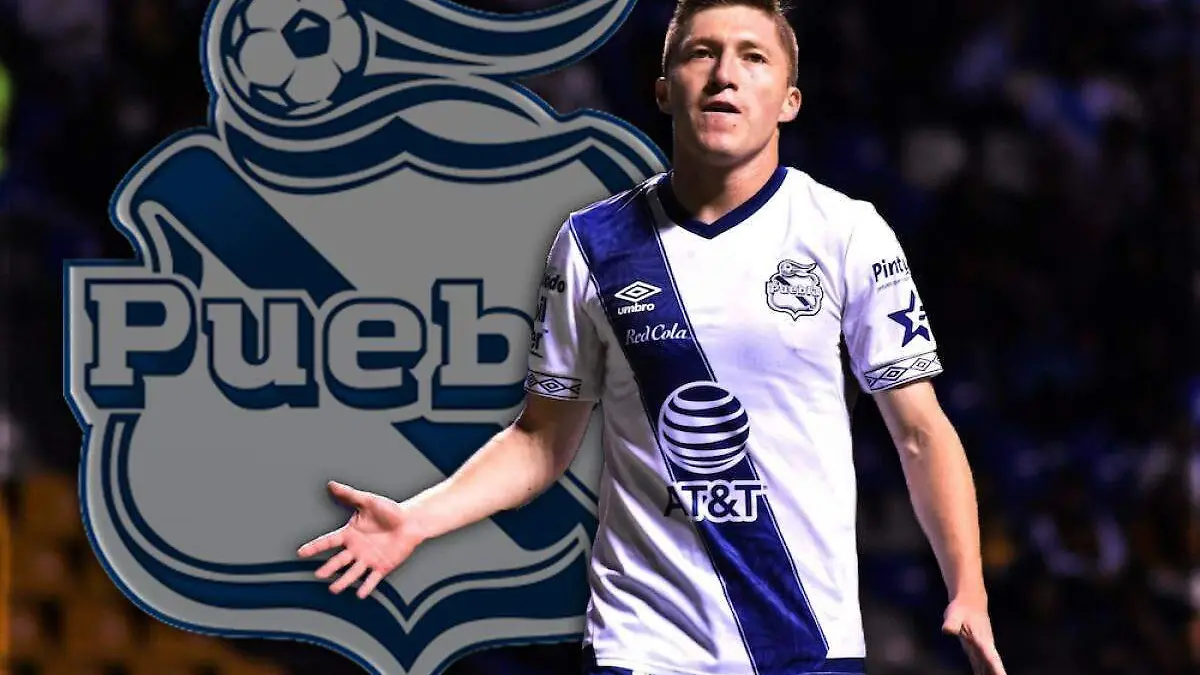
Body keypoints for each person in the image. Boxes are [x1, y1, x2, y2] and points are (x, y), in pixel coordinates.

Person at [297, 0, 1007, 673]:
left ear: (789, 100)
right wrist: (417, 519)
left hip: (803, 637)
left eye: (753, 57)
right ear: (665, 90)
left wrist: (968, 587)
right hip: (642, 642)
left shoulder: (847, 233)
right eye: (702, 53)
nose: (725, 74)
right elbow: (541, 441)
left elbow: (920, 432)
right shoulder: (592, 243)